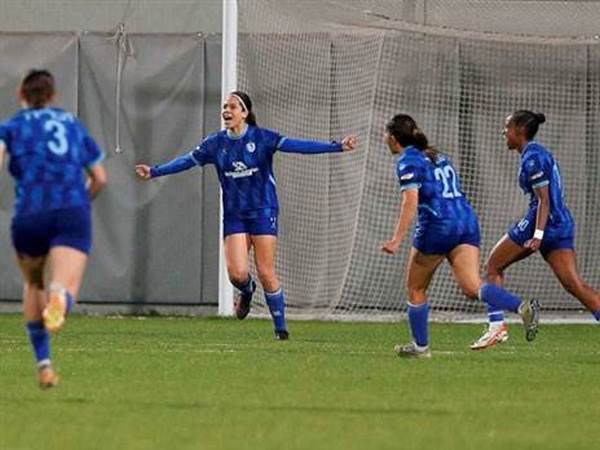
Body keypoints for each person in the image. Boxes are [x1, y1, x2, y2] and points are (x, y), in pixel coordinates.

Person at [135, 91, 357, 339]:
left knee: (266, 271)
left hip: (263, 210)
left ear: (245, 112)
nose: (226, 111)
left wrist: (337, 146)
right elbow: (187, 160)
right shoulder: (215, 143)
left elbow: (299, 146)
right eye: (224, 107)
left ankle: (281, 330)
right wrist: (154, 171)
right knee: (237, 274)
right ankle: (247, 290)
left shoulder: (262, 138)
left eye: (232, 107)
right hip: (235, 215)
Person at [381, 113, 538, 358]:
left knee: (415, 287)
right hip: (466, 222)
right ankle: (520, 306)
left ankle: (421, 348)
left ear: (393, 138)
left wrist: (397, 239)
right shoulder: (437, 156)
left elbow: (410, 202)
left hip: (438, 226)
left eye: (385, 135)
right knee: (472, 286)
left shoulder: (407, 162)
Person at [0, 69, 107, 388]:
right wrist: (81, 203)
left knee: (33, 284)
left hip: (30, 213)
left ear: (21, 94)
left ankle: (44, 364)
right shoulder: (71, 123)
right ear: (53, 96)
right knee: (64, 283)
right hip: (71, 209)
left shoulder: (11, 126)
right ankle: (59, 298)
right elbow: (100, 178)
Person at [471, 110, 600, 349]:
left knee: (494, 265)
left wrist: (538, 235)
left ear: (520, 130)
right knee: (575, 286)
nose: (504, 132)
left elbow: (544, 200)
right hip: (560, 223)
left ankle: (496, 327)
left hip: (541, 223)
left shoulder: (532, 158)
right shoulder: (537, 153)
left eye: (507, 127)